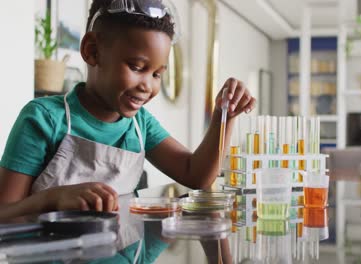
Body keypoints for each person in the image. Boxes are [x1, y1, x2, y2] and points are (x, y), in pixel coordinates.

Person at [0, 0, 255, 221]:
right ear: (92, 51)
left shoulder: (140, 124)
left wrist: (224, 115)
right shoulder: (43, 119)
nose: (148, 86)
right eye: (137, 67)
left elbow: (196, 174)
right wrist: (54, 199)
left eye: (157, 74)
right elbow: (4, 212)